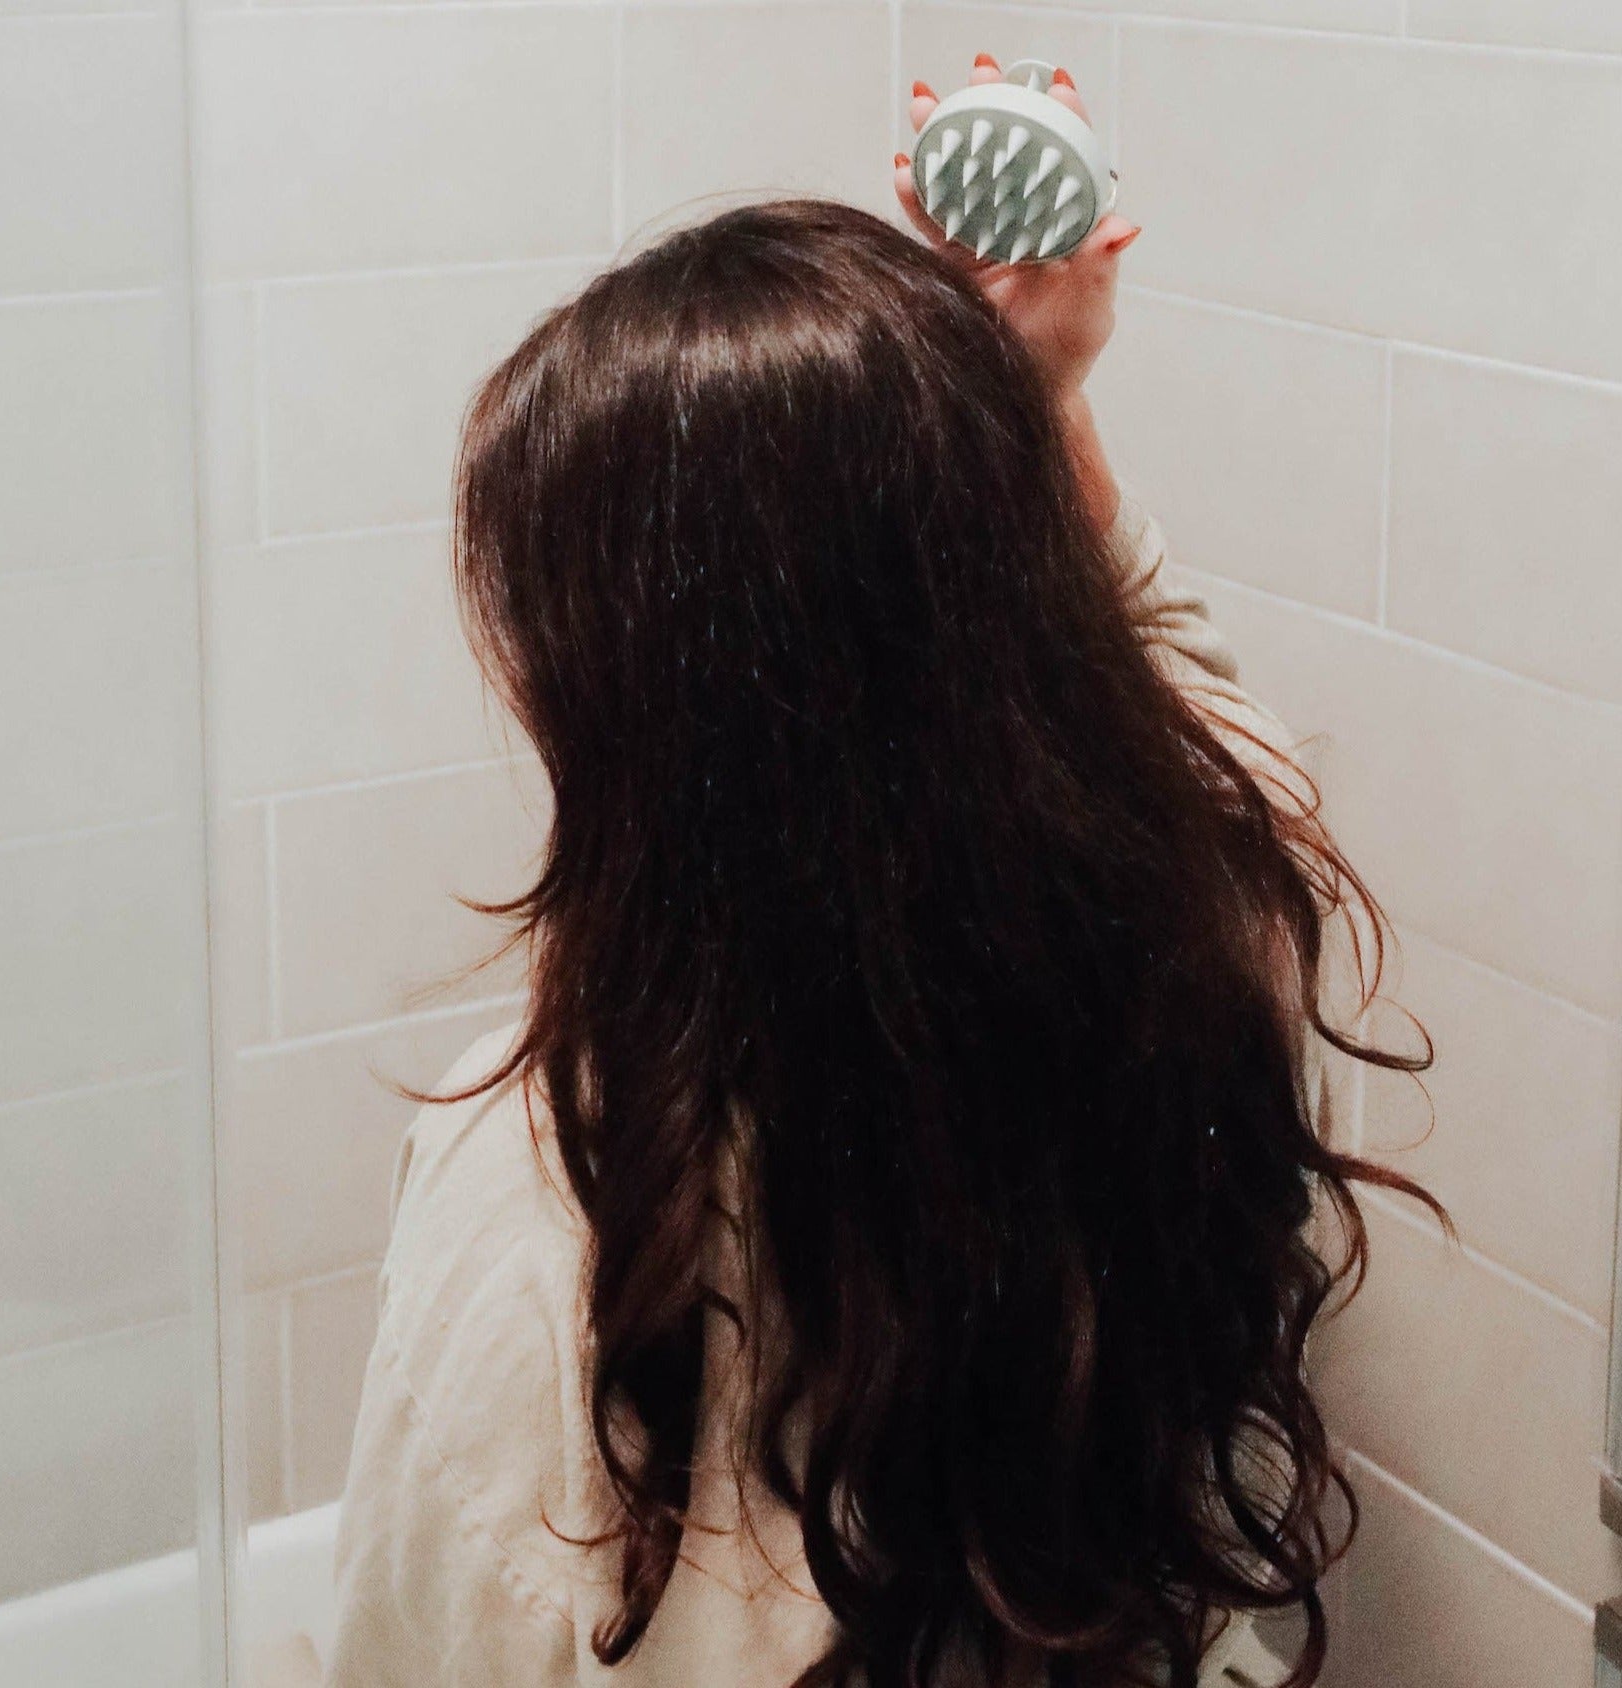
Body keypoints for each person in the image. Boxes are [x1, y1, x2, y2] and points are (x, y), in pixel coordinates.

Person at [322, 55, 1440, 1688]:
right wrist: (1032, 402)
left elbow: (416, 1645)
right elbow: (1172, 695)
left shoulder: (554, 1187)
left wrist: (1007, 409)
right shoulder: (1207, 947)